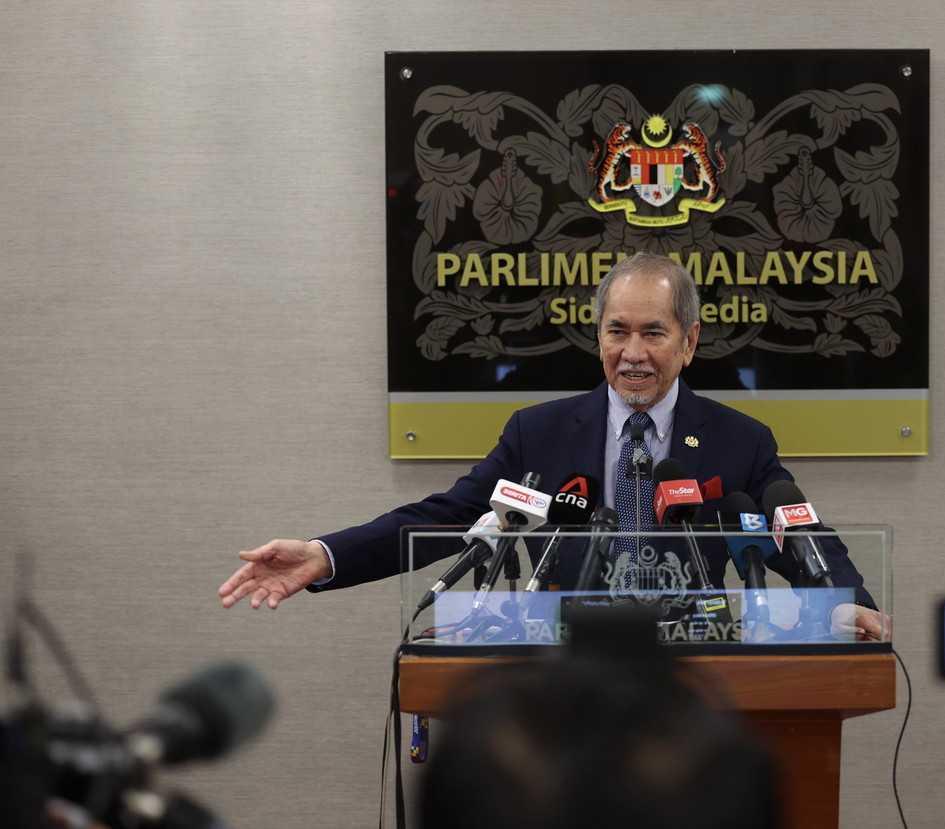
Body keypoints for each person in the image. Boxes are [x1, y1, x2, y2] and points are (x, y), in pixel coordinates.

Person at [218, 252, 885, 638]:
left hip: (699, 685)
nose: (631, 353)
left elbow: (800, 535)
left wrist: (853, 600)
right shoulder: (536, 432)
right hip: (562, 684)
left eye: (653, 332)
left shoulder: (740, 441)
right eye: (616, 331)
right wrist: (325, 553)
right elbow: (447, 518)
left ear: (690, 340)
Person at [417, 609, 778, 829]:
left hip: (686, 660)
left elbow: (801, 533)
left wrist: (835, 586)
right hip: (558, 698)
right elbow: (447, 513)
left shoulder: (739, 479)